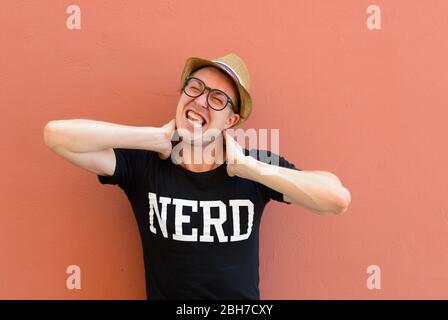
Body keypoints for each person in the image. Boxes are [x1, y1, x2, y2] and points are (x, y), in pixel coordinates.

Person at [44, 53, 351, 299]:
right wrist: (150, 138)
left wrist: (249, 168)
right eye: (195, 88)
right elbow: (57, 135)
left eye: (217, 98)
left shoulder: (256, 166)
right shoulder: (145, 164)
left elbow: (336, 198)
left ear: (231, 120)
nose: (201, 101)